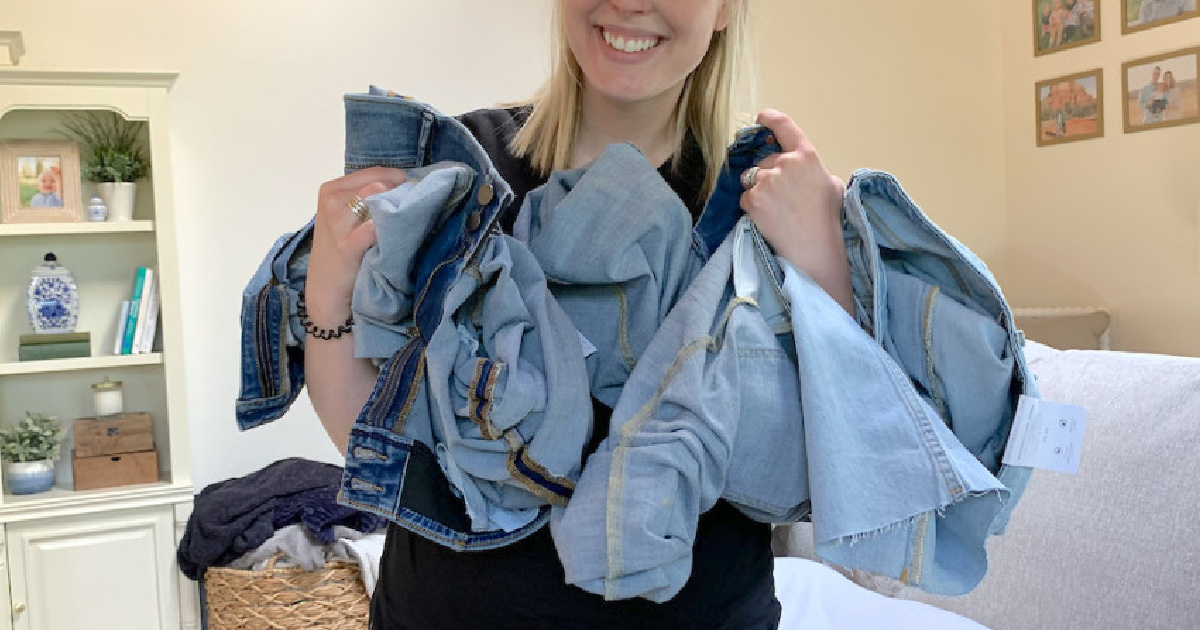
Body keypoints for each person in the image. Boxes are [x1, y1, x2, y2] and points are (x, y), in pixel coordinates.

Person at [304, 1, 848, 628]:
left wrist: (827, 265)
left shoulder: (772, 196)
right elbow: (374, 439)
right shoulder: (459, 172)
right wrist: (327, 295)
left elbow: (842, 458)